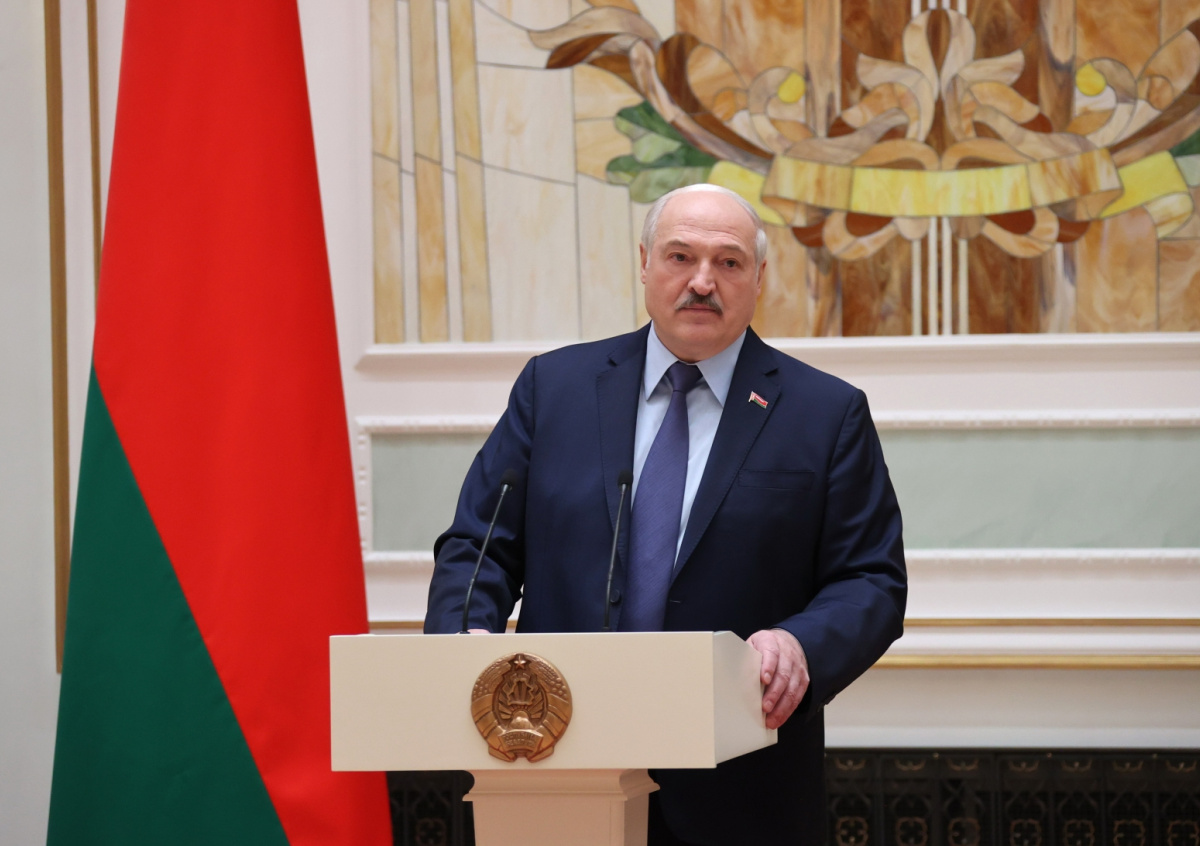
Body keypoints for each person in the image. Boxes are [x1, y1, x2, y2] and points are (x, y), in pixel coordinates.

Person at [425, 184, 907, 845]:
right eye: (681, 257)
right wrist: (463, 640)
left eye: (729, 262)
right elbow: (480, 545)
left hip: (738, 786)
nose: (702, 282)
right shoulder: (554, 389)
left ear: (759, 278)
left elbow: (870, 580)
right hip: (555, 766)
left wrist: (799, 644)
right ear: (645, 263)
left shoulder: (825, 414)